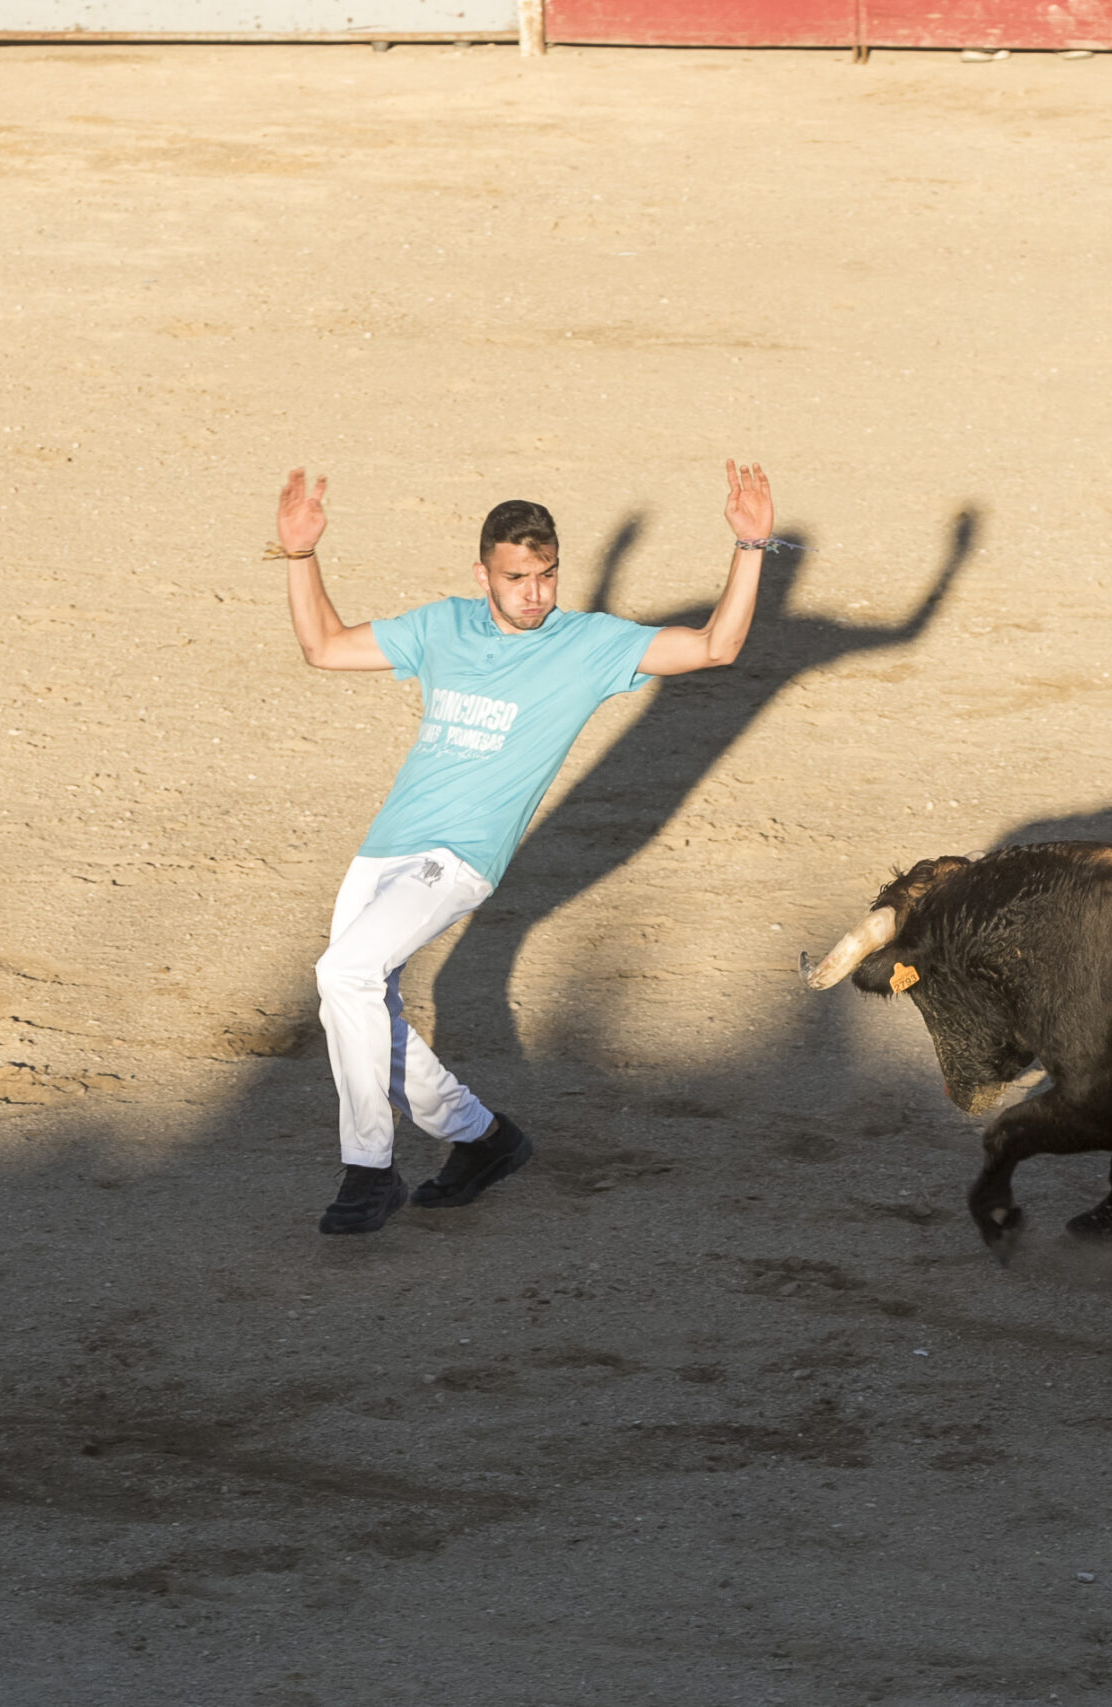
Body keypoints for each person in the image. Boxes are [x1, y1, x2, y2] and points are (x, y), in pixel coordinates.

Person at [275, 461, 779, 1234]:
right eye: (517, 577)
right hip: (385, 848)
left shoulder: (589, 646)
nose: (535, 593)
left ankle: (368, 1171)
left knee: (344, 970)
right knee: (363, 1010)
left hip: (461, 857)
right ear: (483, 573)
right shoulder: (442, 626)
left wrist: (750, 545)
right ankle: (484, 1138)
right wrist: (302, 556)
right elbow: (325, 647)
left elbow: (716, 645)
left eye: (546, 575)